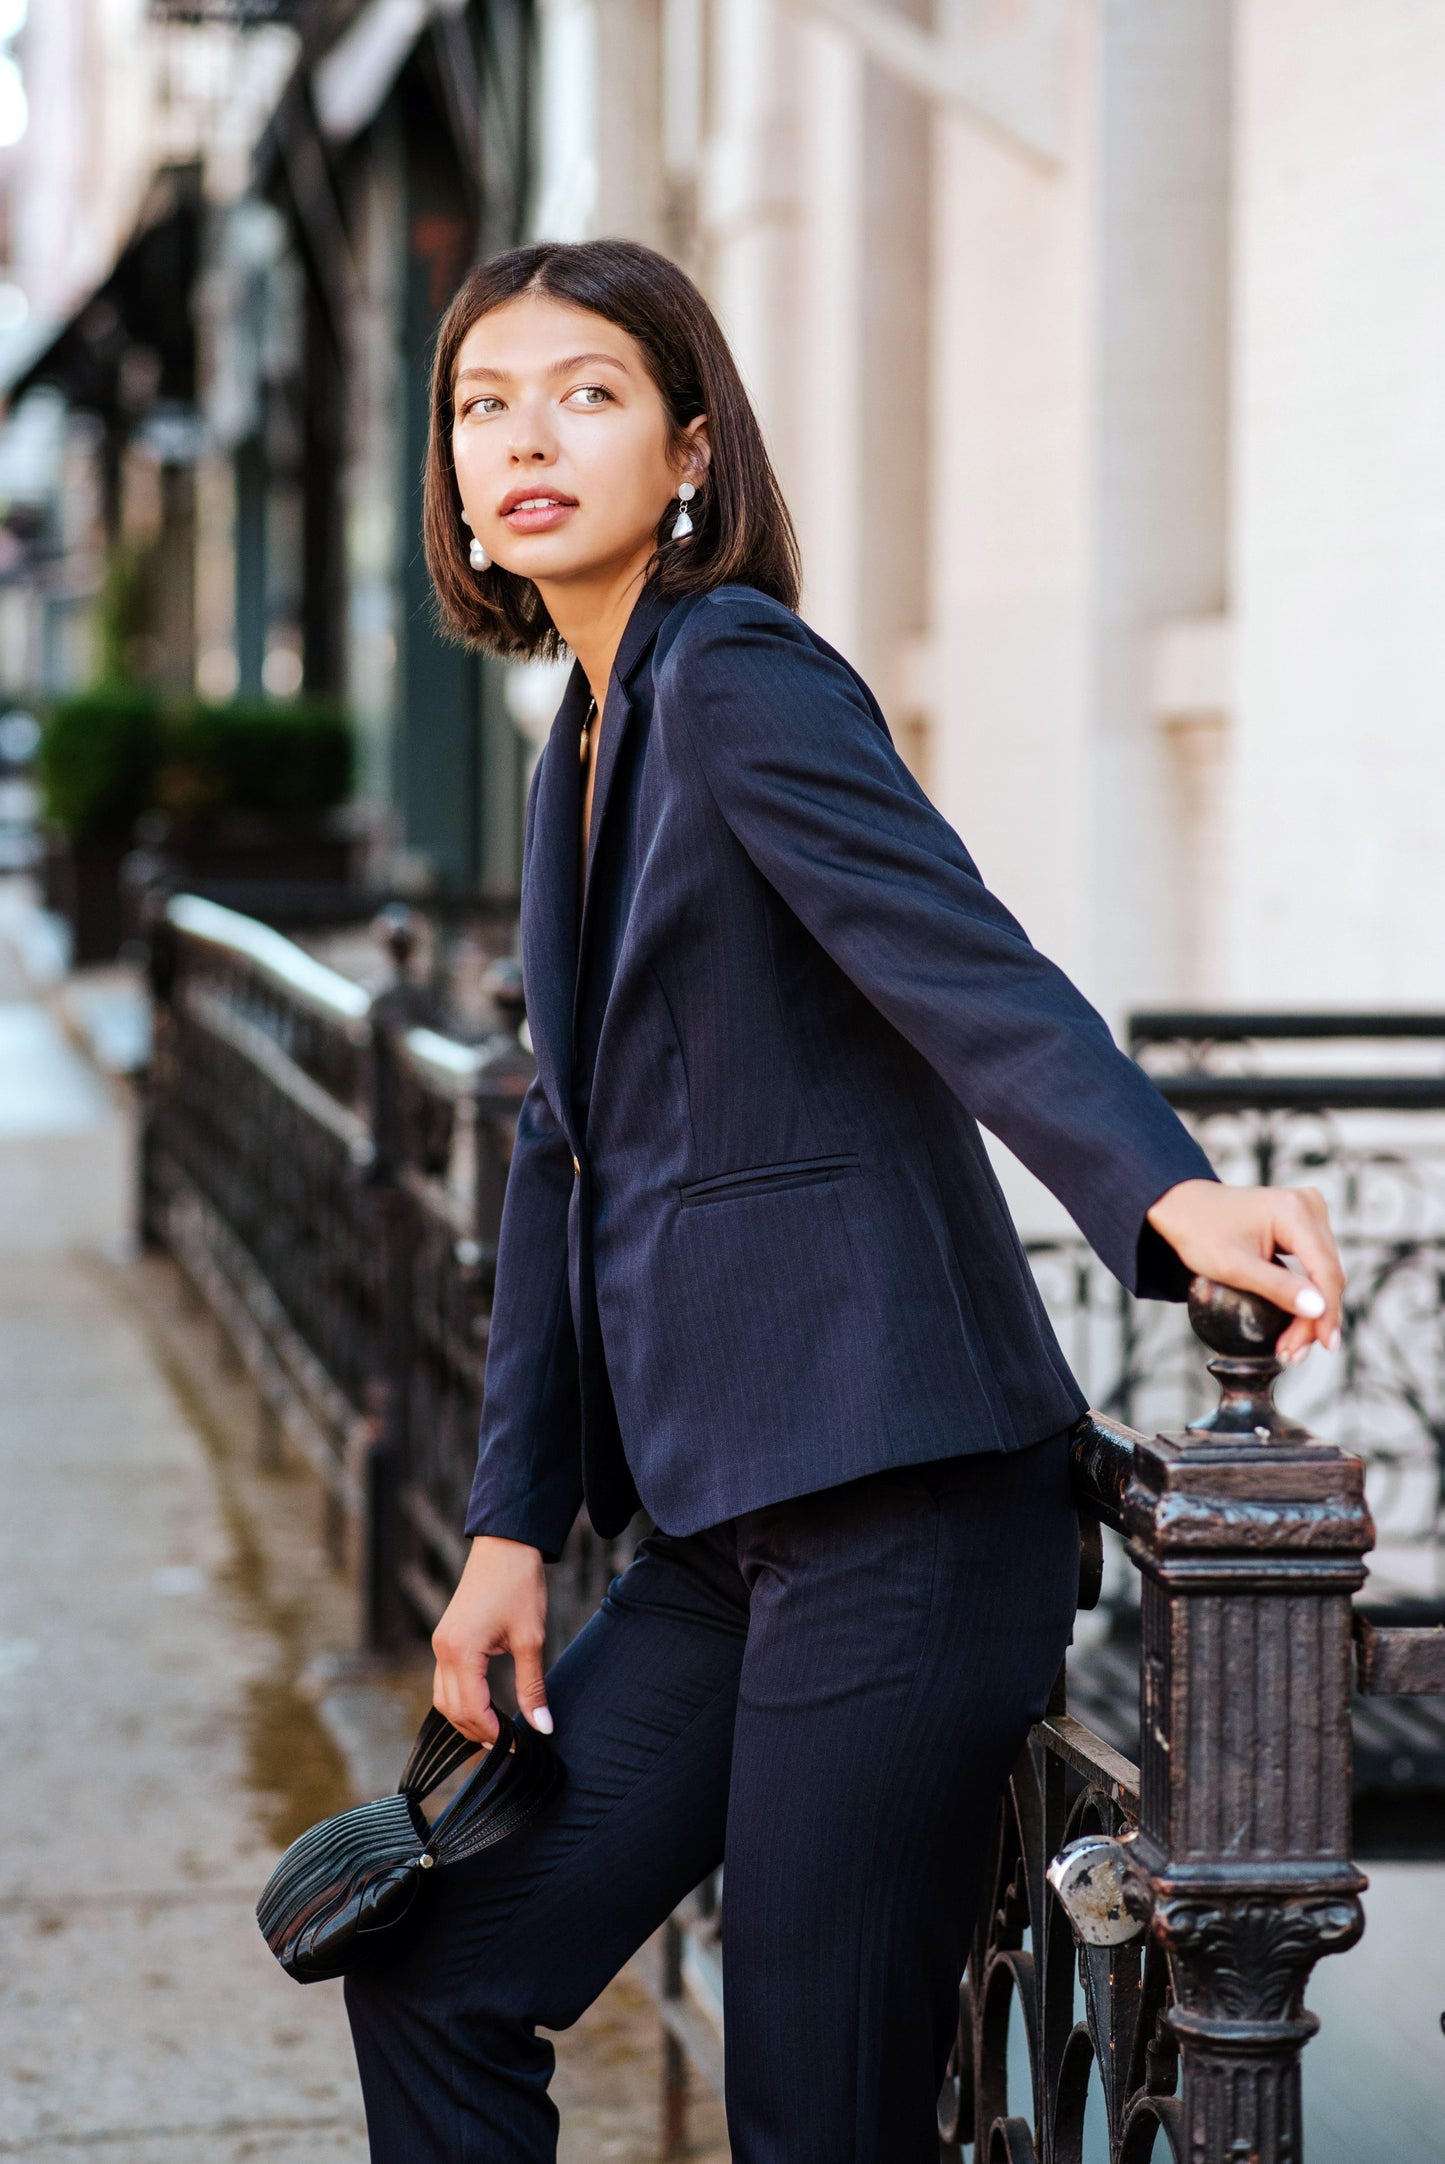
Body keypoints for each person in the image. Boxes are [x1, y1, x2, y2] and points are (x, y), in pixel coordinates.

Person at [343, 238, 1345, 2163]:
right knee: (439, 1967)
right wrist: (506, 1530)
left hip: (899, 1504)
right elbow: (569, 1149)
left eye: (587, 393)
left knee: (813, 2112)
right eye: (482, 404)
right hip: (728, 1524)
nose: (522, 437)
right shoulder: (581, 733)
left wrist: (1168, 1194)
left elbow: (951, 954)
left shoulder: (732, 672)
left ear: (692, 446)